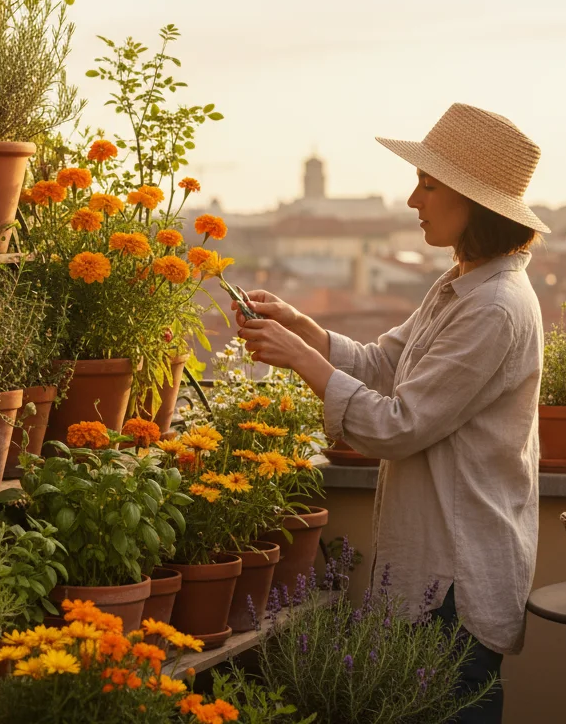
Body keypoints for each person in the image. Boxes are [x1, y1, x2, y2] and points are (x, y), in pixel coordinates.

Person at [234, 103, 549, 724]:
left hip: (456, 583)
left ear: (472, 201)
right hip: (434, 574)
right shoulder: (463, 283)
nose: (412, 199)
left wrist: (299, 357)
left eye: (428, 185)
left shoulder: (495, 307)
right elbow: (383, 363)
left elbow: (397, 426)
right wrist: (307, 330)